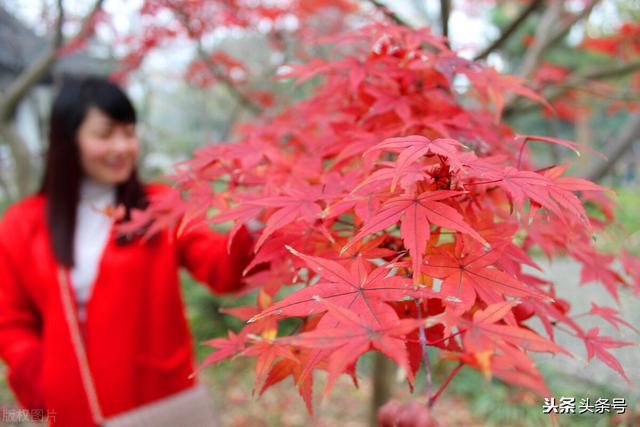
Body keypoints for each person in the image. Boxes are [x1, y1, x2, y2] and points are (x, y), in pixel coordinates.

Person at [0, 77, 255, 426]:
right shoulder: (24, 223)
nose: (122, 146)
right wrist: (39, 373)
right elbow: (10, 320)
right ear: (67, 139)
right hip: (76, 406)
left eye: (129, 132)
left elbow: (221, 269)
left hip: (162, 399)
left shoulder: (159, 205)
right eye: (105, 134)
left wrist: (255, 222)